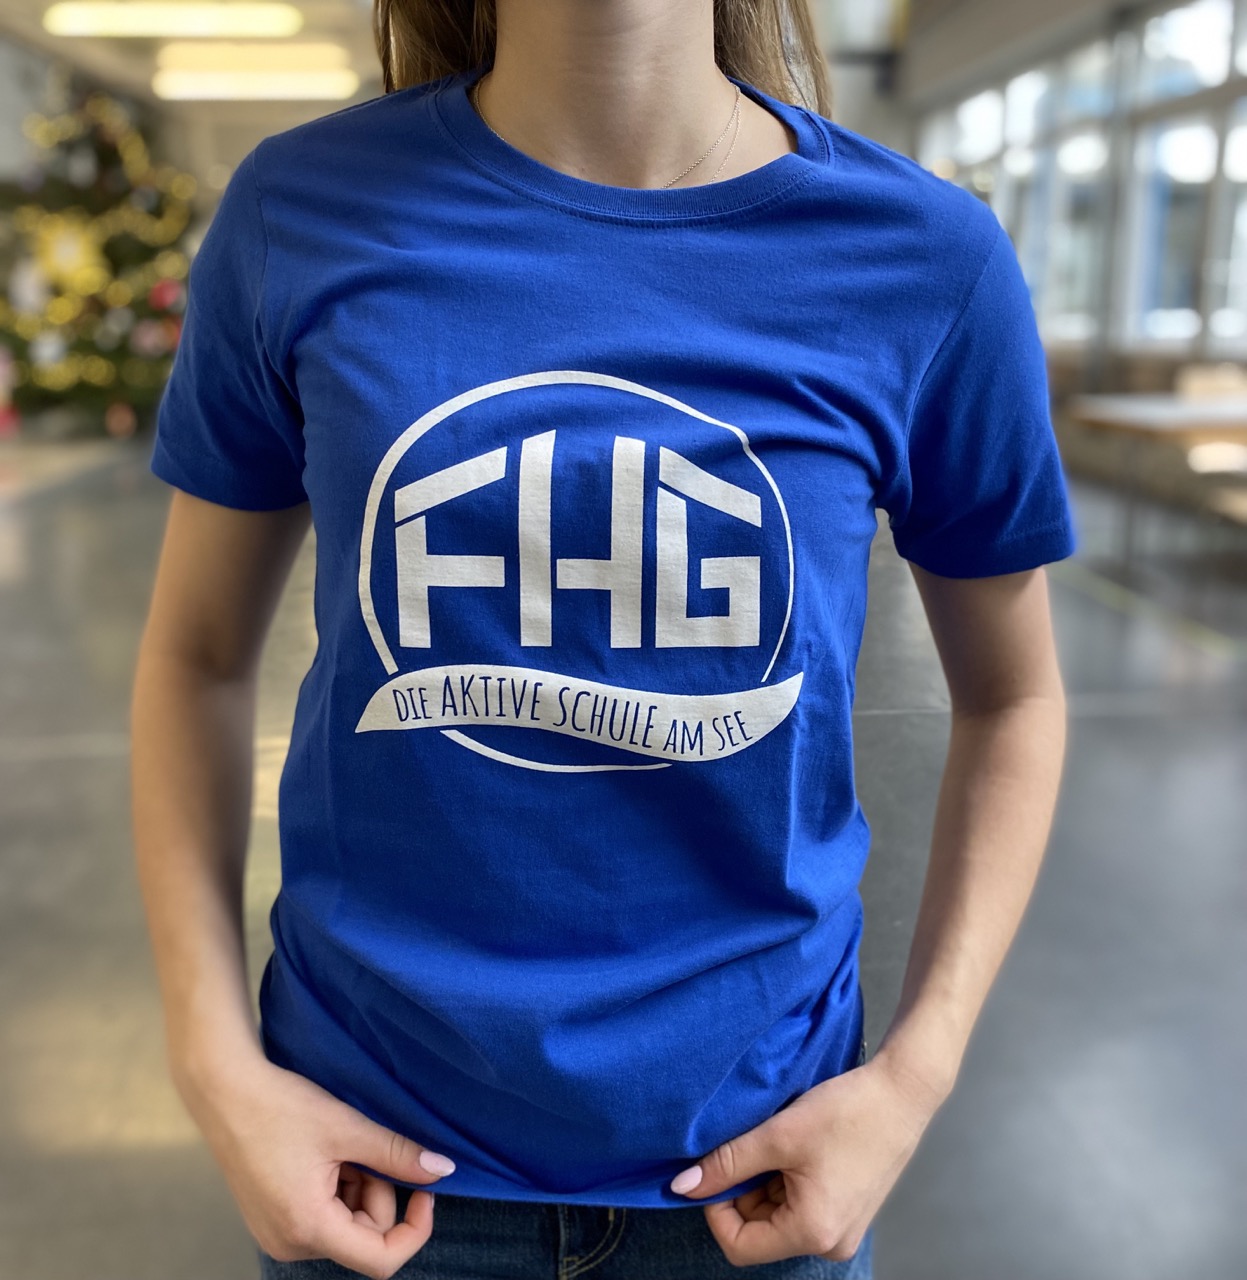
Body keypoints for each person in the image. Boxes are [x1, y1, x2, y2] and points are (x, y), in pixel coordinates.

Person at [128, 2, 1078, 1278]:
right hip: (373, 1174)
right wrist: (212, 1062)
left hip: (757, 1174)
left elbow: (1013, 698)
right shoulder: (298, 213)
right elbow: (194, 655)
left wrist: (914, 1073)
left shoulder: (923, 259)